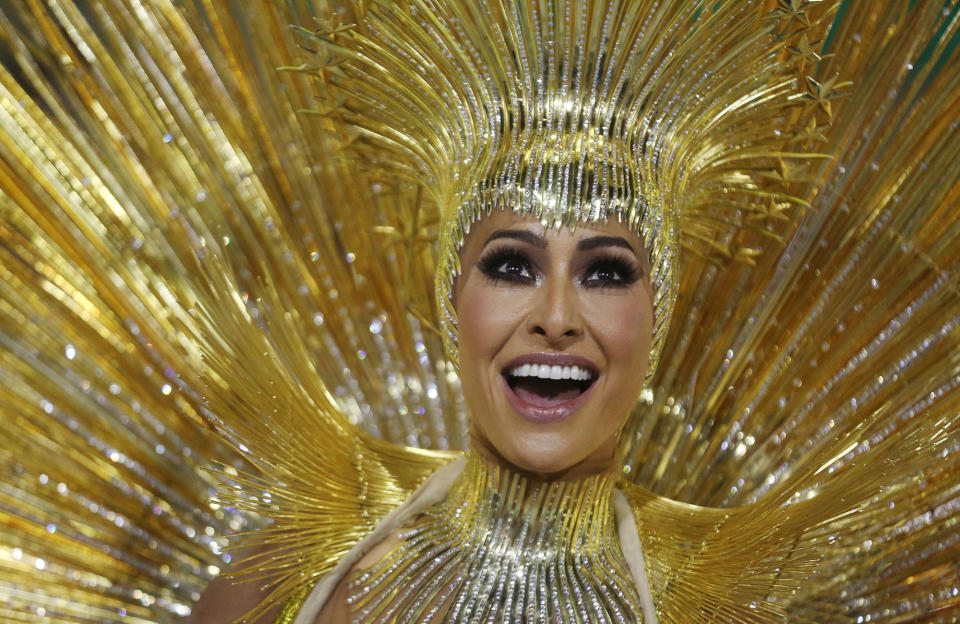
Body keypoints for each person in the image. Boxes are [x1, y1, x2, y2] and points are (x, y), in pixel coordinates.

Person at [1, 1, 958, 623]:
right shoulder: (297, 562)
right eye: (511, 263)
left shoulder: (730, 605)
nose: (555, 315)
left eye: (606, 271)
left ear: (654, 318)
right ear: (448, 295)